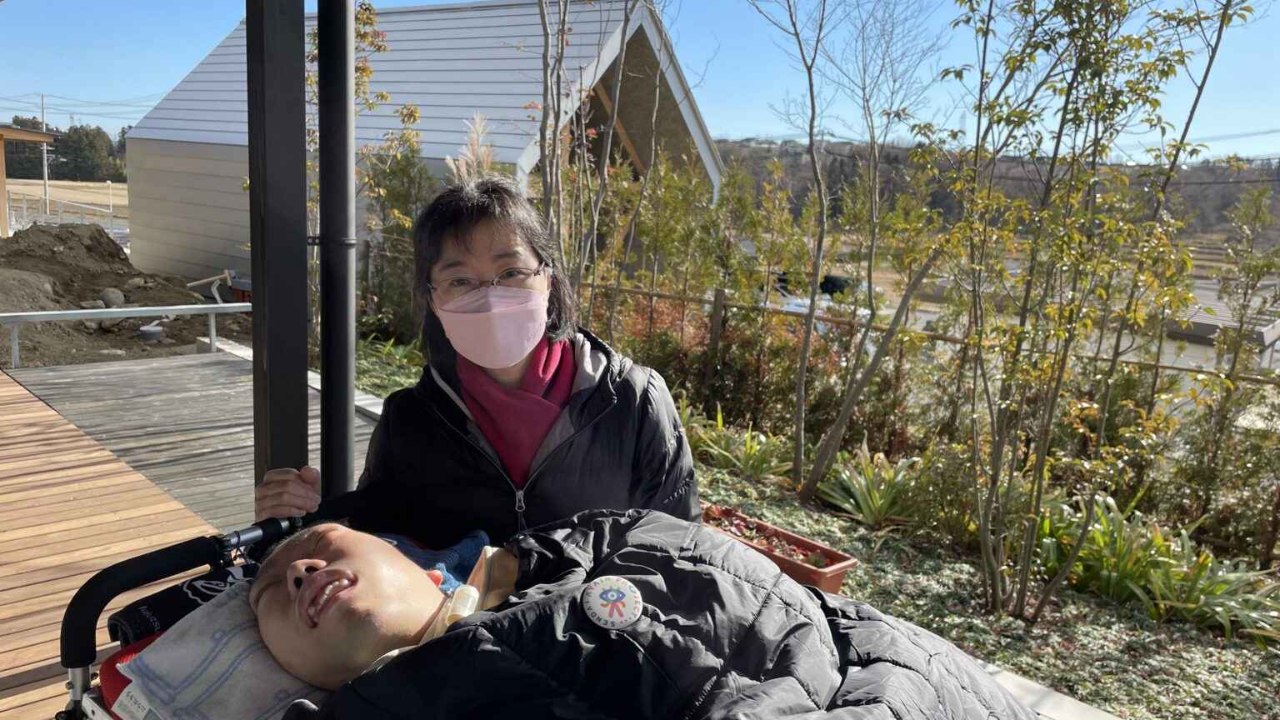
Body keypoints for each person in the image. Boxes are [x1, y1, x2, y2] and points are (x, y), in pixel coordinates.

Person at [255, 176, 699, 549]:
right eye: (460, 281)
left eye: (511, 273)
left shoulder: (631, 401)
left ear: (548, 277)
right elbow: (380, 551)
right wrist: (310, 519)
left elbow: (680, 554)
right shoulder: (410, 420)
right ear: (433, 300)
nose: (489, 298)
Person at [250, 511, 1037, 720]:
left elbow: (790, 614)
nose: (300, 573)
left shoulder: (601, 542)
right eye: (271, 598)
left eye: (316, 547)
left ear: (423, 563)